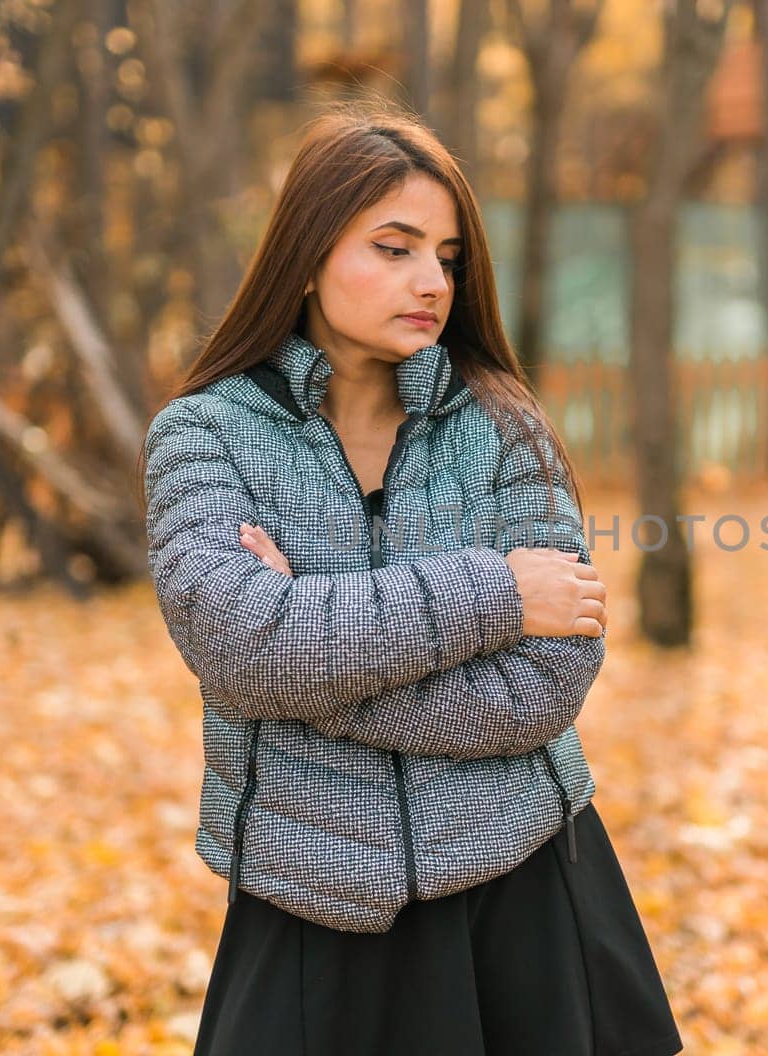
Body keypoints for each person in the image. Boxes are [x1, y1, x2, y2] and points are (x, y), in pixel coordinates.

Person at [139, 100, 683, 1056]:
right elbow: (237, 643)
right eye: (393, 248)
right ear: (306, 255)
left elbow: (546, 686)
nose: (431, 280)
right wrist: (503, 593)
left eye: (447, 256)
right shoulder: (203, 435)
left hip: (527, 898)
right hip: (312, 907)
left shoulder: (505, 426)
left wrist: (299, 664)